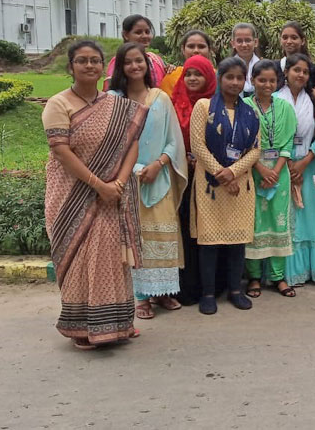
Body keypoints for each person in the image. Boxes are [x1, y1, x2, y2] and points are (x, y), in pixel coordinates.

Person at [42, 40, 147, 350]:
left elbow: (132, 143)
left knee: (110, 260)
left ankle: (117, 324)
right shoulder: (58, 104)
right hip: (71, 195)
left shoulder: (115, 105)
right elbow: (61, 151)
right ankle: (82, 328)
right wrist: (98, 185)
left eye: (95, 61)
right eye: (82, 61)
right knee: (78, 258)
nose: (89, 66)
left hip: (112, 195)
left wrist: (119, 183)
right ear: (70, 67)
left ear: (103, 66)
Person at [107, 43, 189, 320]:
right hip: (127, 179)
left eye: (139, 61)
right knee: (135, 236)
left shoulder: (160, 98)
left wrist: (158, 164)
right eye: (128, 62)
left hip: (160, 176)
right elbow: (112, 144)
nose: (134, 66)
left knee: (163, 234)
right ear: (121, 66)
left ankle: (163, 292)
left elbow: (173, 140)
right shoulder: (114, 100)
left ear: (147, 65)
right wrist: (137, 169)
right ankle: (141, 297)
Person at [188, 57, 261, 315]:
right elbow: (197, 145)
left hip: (240, 183)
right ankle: (208, 293)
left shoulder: (250, 111)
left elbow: (255, 150)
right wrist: (221, 173)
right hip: (209, 185)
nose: (234, 82)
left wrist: (233, 172)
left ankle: (235, 290)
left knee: (237, 240)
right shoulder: (204, 106)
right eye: (229, 77)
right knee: (209, 241)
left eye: (239, 78)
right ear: (219, 78)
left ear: (245, 81)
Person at [275, 54, 315, 287]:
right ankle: (287, 271)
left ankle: (313, 269)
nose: (300, 75)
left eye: (305, 71)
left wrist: (307, 158)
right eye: (296, 70)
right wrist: (287, 160)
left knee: (311, 218)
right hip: (281, 166)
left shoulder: (314, 101)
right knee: (288, 219)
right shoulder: (276, 99)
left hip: (309, 166)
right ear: (286, 72)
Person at [243, 61, 298, 298]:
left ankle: (278, 277)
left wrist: (274, 171)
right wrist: (260, 169)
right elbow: (242, 142)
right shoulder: (244, 106)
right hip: (251, 172)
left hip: (279, 173)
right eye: (261, 80)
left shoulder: (285, 107)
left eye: (272, 80)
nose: (267, 84)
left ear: (278, 82)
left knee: (279, 222)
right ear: (253, 80)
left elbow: (287, 143)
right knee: (254, 224)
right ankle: (254, 277)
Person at [171, 54, 217, 306]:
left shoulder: (217, 103)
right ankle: (185, 287)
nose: (192, 78)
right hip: (181, 176)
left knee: (207, 230)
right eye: (188, 73)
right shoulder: (172, 103)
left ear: (208, 77)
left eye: (198, 74)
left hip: (210, 175)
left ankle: (211, 285)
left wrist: (203, 160)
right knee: (185, 230)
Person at [104, 15, 168, 88]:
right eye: (138, 32)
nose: (144, 36)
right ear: (125, 35)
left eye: (147, 32)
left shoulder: (156, 60)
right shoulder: (119, 60)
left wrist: (171, 70)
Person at [159, 29, 214, 96]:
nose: (196, 50)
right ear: (183, 49)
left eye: (201, 46)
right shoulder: (172, 77)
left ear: (209, 49)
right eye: (191, 46)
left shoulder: (218, 77)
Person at [232, 23, 262, 95]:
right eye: (239, 41)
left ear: (255, 42)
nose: (244, 45)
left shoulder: (264, 67)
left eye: (248, 40)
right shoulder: (226, 69)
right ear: (233, 43)